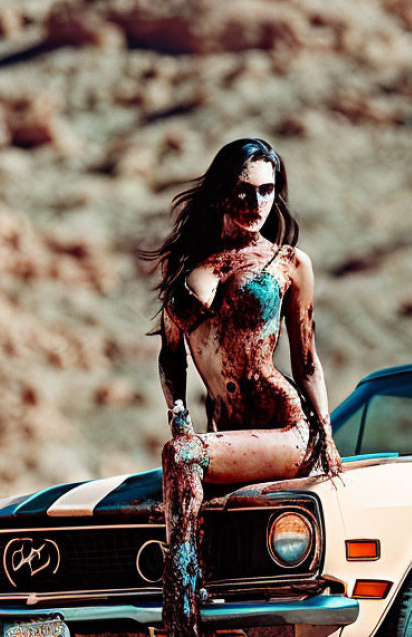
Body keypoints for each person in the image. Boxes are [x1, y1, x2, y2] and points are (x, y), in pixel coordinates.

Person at [144, 138, 341, 637]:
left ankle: (180, 615)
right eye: (244, 191)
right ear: (220, 194)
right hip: (222, 431)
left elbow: (307, 359)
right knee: (177, 464)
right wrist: (179, 416)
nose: (256, 204)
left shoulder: (289, 264)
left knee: (182, 458)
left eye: (267, 191)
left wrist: (328, 433)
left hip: (284, 426)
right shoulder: (188, 266)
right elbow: (171, 358)